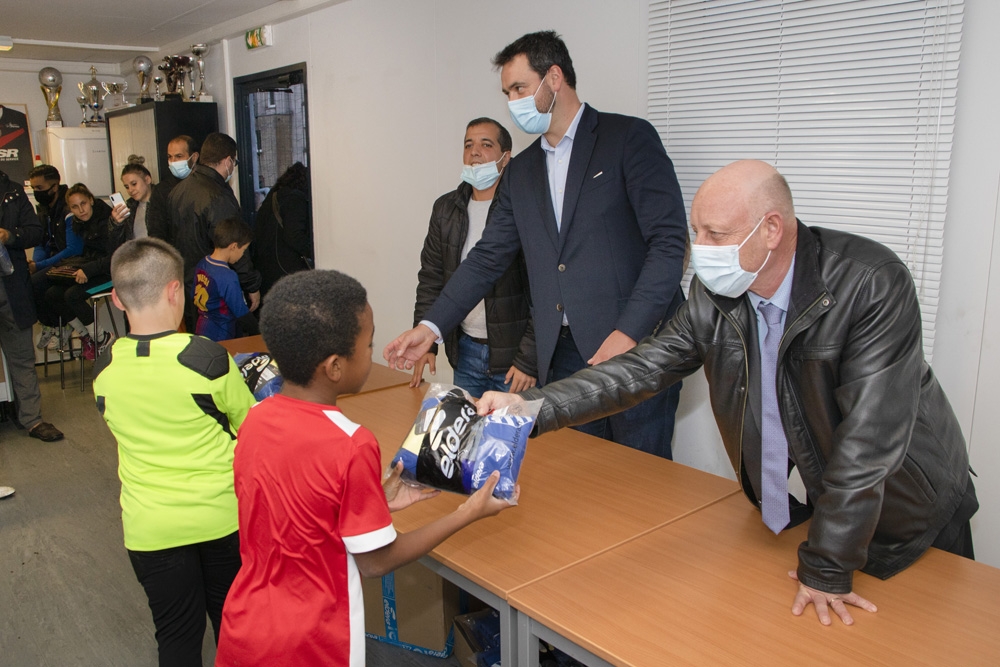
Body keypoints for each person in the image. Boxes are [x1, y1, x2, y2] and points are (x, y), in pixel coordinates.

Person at [478, 159, 979, 627]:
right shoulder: (716, 293)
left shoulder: (871, 283)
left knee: (936, 633)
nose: (699, 249)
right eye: (696, 231)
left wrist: (827, 566)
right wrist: (533, 408)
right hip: (834, 509)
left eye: (715, 234)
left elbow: (867, 443)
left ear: (772, 230)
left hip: (912, 506)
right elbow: (641, 369)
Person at [385, 31, 688, 458]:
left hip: (635, 346)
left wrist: (629, 332)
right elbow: (487, 258)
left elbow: (669, 243)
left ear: (554, 78)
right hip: (561, 355)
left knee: (640, 470)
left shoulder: (627, 138)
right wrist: (430, 327)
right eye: (507, 93)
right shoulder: (521, 171)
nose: (513, 102)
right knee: (577, 471)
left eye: (519, 88)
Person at [215, 270, 516, 667]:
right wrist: (467, 513)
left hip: (246, 624)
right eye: (369, 344)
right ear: (335, 367)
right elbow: (376, 561)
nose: (373, 353)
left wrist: (374, 501)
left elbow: (294, 508)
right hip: (315, 643)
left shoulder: (255, 418)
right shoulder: (351, 442)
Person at [94, 237, 256, 666]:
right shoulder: (208, 359)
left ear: (117, 299)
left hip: (150, 529)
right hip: (221, 520)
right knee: (237, 630)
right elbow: (252, 430)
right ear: (174, 291)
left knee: (176, 638)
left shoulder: (103, 369)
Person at [410, 117, 536, 397]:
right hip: (465, 352)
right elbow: (431, 279)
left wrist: (530, 358)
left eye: (486, 145)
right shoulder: (446, 209)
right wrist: (427, 341)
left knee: (516, 427)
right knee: (466, 424)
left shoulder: (524, 209)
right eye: (468, 145)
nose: (475, 152)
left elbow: (544, 291)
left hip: (516, 362)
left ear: (506, 157)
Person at [170, 132, 261, 332]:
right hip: (217, 291)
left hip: (190, 285)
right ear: (228, 161)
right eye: (234, 163)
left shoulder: (178, 191)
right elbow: (233, 244)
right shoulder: (219, 197)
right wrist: (251, 285)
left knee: (198, 339)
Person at [0, 169, 63, 442]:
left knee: (22, 357)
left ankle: (32, 419)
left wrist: (9, 236)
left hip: (11, 288)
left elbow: (35, 232)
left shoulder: (13, 193)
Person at [35, 183, 116, 361]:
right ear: (70, 209)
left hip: (110, 273)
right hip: (93, 269)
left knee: (72, 295)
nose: (81, 210)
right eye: (75, 207)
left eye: (83, 204)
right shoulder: (79, 223)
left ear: (91, 200)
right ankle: (87, 336)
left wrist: (87, 269)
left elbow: (114, 256)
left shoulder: (108, 221)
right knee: (52, 294)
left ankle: (101, 338)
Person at [28, 164, 76, 350]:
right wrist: (36, 264)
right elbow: (41, 242)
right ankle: (49, 324)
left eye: (39, 188)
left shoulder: (68, 208)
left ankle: (60, 325)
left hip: (72, 261)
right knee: (26, 280)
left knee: (36, 283)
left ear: (54, 186)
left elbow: (72, 249)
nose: (36, 192)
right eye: (33, 188)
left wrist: (39, 267)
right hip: (54, 261)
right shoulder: (43, 210)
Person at [251, 161, 313, 298]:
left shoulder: (274, 196)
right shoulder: (295, 199)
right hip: (285, 269)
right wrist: (313, 251)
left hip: (266, 269)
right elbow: (294, 235)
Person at [193, 217, 259, 342]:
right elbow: (241, 313)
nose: (242, 255)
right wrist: (260, 333)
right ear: (233, 246)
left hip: (202, 328)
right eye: (243, 250)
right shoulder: (228, 276)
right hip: (222, 334)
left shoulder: (202, 264)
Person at [146, 135, 199, 245]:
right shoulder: (162, 190)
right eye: (169, 157)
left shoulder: (206, 186)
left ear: (194, 157)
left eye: (179, 156)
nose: (173, 161)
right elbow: (156, 231)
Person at [115, 155, 156, 240]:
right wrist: (116, 224)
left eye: (134, 184)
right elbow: (118, 241)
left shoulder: (163, 202)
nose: (130, 190)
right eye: (126, 187)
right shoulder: (130, 207)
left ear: (147, 179)